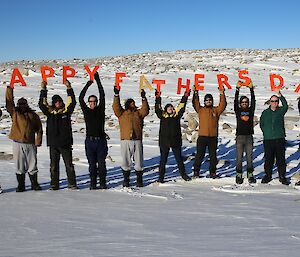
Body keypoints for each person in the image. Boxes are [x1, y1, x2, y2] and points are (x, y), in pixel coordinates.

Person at [39, 80, 78, 190]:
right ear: (53, 103)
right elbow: (42, 104)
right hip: (53, 144)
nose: (58, 103)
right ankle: (54, 184)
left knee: (69, 165)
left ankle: (72, 184)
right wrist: (43, 90)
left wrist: (69, 88)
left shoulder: (66, 112)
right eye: (56, 102)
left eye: (59, 101)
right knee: (53, 166)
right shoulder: (50, 113)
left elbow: (72, 102)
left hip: (65, 144)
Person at [6, 86, 43, 192]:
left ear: (27, 104)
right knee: (19, 164)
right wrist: (9, 90)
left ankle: (34, 184)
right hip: (18, 142)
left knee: (32, 164)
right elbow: (9, 103)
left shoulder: (33, 115)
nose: (22, 106)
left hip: (30, 143)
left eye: (24, 104)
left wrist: (38, 141)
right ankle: (21, 185)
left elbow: (39, 128)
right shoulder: (15, 113)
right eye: (20, 104)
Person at [113, 86, 149, 187]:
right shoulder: (122, 113)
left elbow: (145, 110)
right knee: (126, 161)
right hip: (125, 140)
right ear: (127, 105)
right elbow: (116, 107)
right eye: (131, 103)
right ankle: (126, 180)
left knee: (139, 161)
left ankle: (139, 180)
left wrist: (143, 98)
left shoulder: (138, 113)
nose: (133, 104)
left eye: (133, 103)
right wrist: (116, 95)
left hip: (137, 139)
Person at [155, 89, 191, 183]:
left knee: (179, 160)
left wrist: (185, 96)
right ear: (166, 109)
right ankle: (161, 177)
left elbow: (182, 106)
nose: (171, 108)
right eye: (169, 108)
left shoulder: (177, 116)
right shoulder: (162, 116)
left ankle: (183, 174)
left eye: (172, 107)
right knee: (163, 161)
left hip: (176, 141)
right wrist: (158, 97)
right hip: (164, 142)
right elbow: (157, 108)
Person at [79, 72, 108, 190]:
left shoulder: (100, 110)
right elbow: (80, 98)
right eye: (91, 101)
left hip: (100, 141)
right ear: (88, 103)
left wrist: (98, 80)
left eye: (94, 101)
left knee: (101, 164)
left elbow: (102, 94)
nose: (93, 103)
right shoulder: (86, 111)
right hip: (90, 142)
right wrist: (88, 84)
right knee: (91, 165)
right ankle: (92, 184)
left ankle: (102, 183)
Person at [192, 86, 227, 178]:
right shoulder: (201, 110)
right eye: (207, 100)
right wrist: (195, 93)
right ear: (204, 102)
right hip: (202, 137)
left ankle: (212, 172)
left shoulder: (216, 110)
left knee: (213, 156)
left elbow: (222, 105)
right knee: (199, 155)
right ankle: (196, 172)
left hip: (213, 137)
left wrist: (222, 93)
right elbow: (195, 103)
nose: (208, 101)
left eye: (210, 100)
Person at [260, 89, 289, 185]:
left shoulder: (281, 111)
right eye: (272, 101)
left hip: (279, 138)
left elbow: (286, 106)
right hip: (268, 139)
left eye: (276, 101)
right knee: (269, 159)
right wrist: (266, 132)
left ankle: (282, 176)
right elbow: (262, 124)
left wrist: (280, 96)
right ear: (270, 102)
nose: (274, 103)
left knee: (281, 159)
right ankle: (268, 175)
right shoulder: (265, 113)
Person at [234, 80, 256, 184]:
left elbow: (254, 101)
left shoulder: (250, 111)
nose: (244, 103)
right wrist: (237, 89)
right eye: (242, 102)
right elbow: (235, 102)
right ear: (240, 104)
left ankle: (250, 174)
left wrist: (251, 89)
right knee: (239, 157)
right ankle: (239, 174)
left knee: (249, 157)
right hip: (239, 137)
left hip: (249, 137)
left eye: (246, 102)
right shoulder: (238, 111)